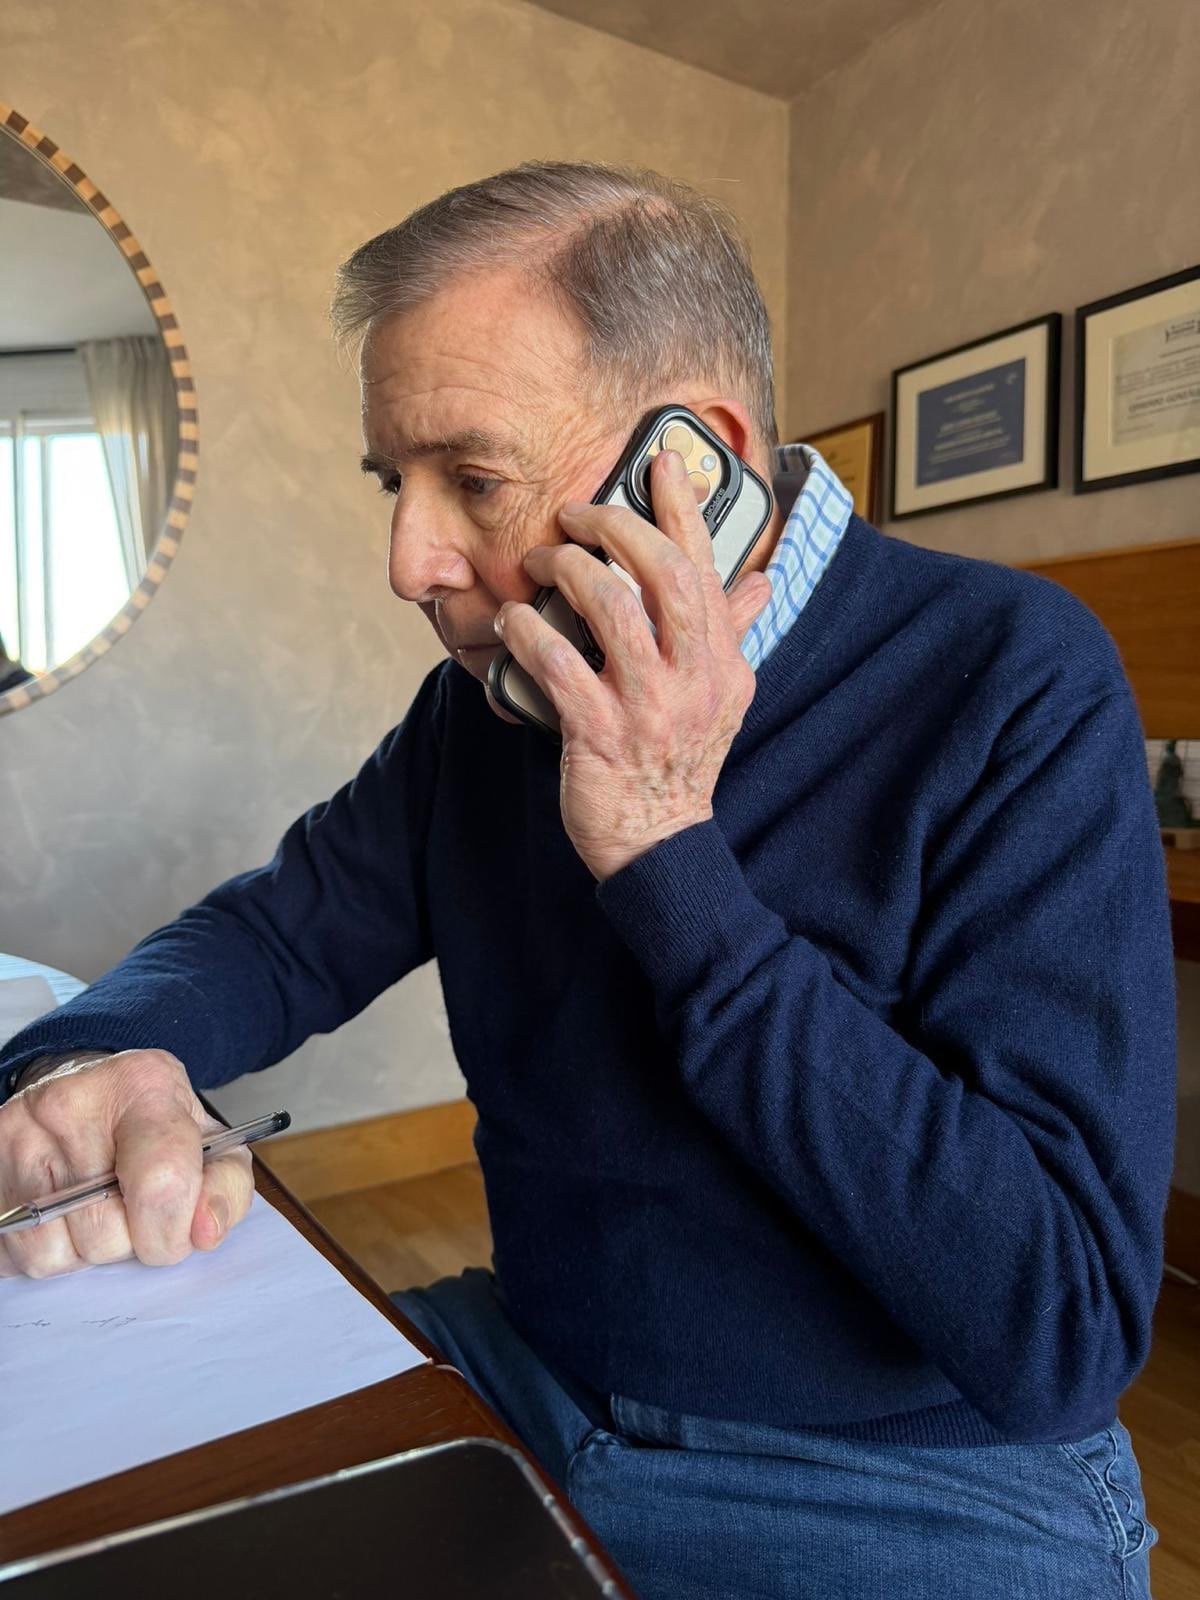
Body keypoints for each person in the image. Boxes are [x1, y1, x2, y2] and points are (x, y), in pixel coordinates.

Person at [0, 163, 1174, 1600]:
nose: (406, 556)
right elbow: (282, 928)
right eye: (397, 483)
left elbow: (1059, 1320)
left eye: (471, 478)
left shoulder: (1012, 680)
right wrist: (99, 1051)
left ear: (693, 462)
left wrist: (669, 859)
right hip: (538, 1376)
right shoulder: (485, 712)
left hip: (911, 1476)